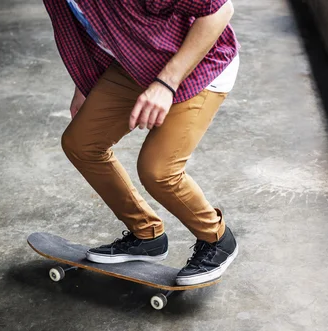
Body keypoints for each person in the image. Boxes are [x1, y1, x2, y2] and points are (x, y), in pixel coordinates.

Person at [43, 0, 240, 285]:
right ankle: (146, 235)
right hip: (138, 62)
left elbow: (220, 10)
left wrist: (165, 84)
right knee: (81, 142)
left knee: (158, 170)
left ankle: (217, 239)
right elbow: (90, 28)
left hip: (200, 64)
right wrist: (84, 84)